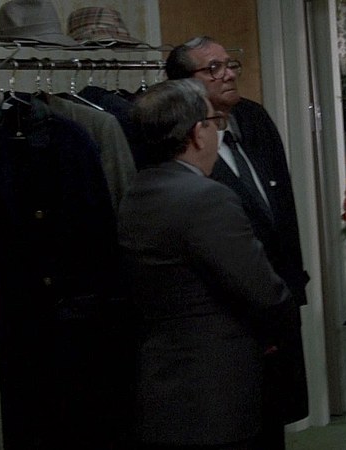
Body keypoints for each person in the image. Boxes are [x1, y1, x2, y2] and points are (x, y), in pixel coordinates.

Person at [117, 78, 301, 450]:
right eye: (214, 122)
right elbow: (262, 290)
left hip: (162, 377)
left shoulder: (136, 193)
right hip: (216, 383)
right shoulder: (208, 198)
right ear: (197, 133)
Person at [165, 36, 309, 449]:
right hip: (230, 320)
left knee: (275, 419)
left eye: (230, 64)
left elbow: (283, 209)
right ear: (184, 85)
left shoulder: (254, 118)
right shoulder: (178, 140)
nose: (228, 74)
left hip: (277, 296)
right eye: (213, 68)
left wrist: (293, 291)